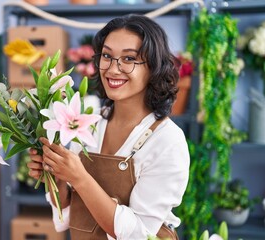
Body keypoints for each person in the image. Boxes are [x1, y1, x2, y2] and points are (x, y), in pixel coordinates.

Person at [28, 14, 190, 240]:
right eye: (107, 56)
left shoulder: (167, 140)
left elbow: (139, 234)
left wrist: (79, 178)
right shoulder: (88, 123)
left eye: (129, 59)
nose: (113, 69)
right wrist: (56, 178)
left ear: (153, 67)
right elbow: (69, 213)